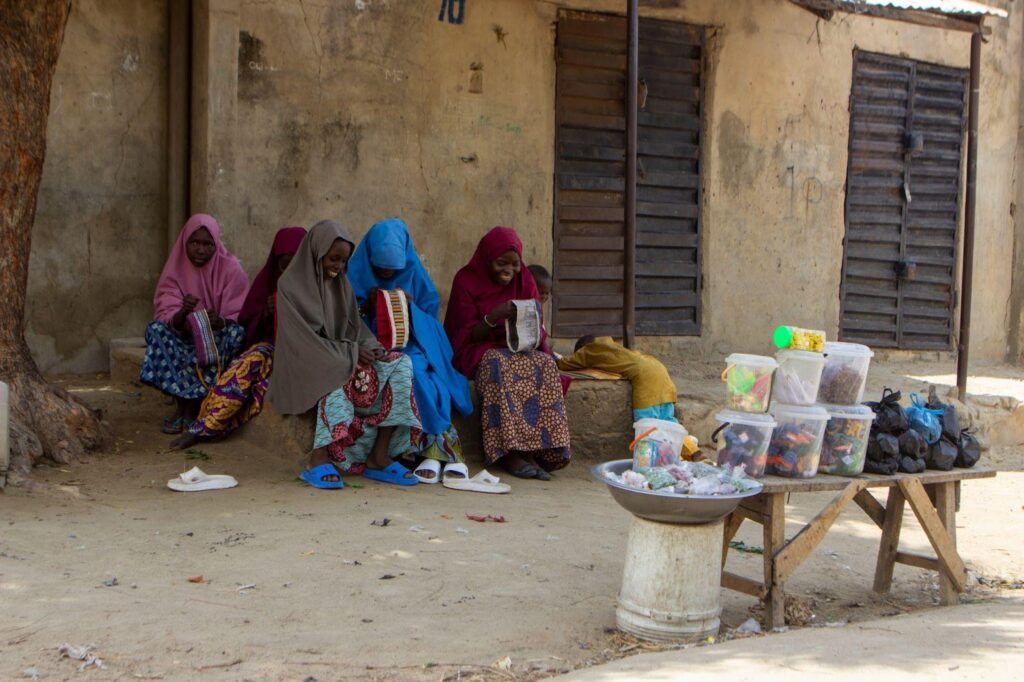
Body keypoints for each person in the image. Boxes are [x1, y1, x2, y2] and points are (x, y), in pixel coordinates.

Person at [270, 219, 422, 489]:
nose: (338, 267)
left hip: (342, 353)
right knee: (336, 366)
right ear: (317, 253)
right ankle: (318, 458)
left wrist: (372, 346)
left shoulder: (340, 284)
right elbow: (305, 343)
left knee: (400, 364)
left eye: (343, 262)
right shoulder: (289, 288)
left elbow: (355, 326)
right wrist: (353, 351)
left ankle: (379, 455)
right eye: (333, 259)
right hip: (306, 360)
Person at [347, 218, 475, 484]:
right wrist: (369, 307)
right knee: (407, 370)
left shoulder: (416, 275)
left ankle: (433, 453)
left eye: (393, 269)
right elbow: (344, 318)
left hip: (413, 344)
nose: (386, 274)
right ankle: (442, 454)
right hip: (369, 347)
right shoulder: (353, 274)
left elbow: (432, 323)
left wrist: (409, 308)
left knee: (424, 375)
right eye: (379, 268)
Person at [444, 226, 571, 480]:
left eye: (514, 264)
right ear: (487, 258)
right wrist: (494, 317)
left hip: (519, 347)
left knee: (544, 364)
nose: (509, 271)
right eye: (501, 263)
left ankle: (540, 450)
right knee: (498, 364)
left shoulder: (524, 279)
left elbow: (537, 323)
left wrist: (529, 325)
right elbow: (463, 335)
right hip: (478, 348)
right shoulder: (466, 280)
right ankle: (509, 453)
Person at [169, 227, 307, 450]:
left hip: (309, 353)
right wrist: (265, 314)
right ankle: (203, 427)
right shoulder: (267, 283)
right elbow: (246, 324)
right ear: (276, 262)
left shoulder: (320, 284)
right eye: (284, 264)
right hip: (273, 348)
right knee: (244, 367)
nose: (290, 271)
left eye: (296, 264)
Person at [141, 214, 249, 434]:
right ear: (185, 243)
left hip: (214, 342)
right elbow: (165, 314)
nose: (201, 250)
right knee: (155, 330)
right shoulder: (175, 269)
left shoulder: (231, 270)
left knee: (236, 334)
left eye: (208, 244)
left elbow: (239, 315)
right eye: (195, 243)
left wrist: (219, 321)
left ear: (216, 244)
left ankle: (194, 407)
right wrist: (183, 313)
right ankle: (182, 406)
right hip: (182, 340)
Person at [558, 335, 679, 422]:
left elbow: (565, 364)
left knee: (647, 425)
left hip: (645, 376)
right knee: (668, 421)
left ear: (582, 348)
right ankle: (689, 449)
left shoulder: (589, 350)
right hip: (659, 369)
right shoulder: (613, 348)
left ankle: (652, 457)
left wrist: (555, 358)